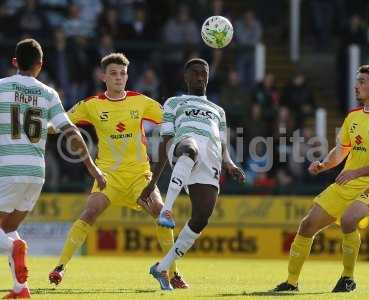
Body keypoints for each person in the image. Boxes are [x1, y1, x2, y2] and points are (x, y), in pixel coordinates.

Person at [48, 53, 188, 289]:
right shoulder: (91, 105)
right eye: (113, 73)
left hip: (138, 176)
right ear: (103, 77)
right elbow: (60, 123)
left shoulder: (140, 101)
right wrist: (39, 127)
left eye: (122, 73)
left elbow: (169, 118)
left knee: (161, 213)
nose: (119, 77)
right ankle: (60, 267)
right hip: (108, 177)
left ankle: (172, 272)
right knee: (90, 212)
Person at [271, 65, 369, 293]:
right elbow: (341, 150)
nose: (356, 86)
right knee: (307, 225)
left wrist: (356, 172)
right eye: (356, 81)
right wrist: (323, 165)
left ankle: (347, 278)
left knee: (350, 219)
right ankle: (291, 284)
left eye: (361, 81)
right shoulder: (353, 115)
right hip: (346, 182)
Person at [0, 38, 105, 299]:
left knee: (10, 240)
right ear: (40, 64)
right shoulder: (49, 94)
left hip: (7, 168)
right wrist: (92, 167)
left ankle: (14, 251)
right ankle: (20, 288)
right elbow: (72, 133)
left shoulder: (1, 88)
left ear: (15, 62)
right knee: (9, 228)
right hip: (36, 173)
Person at [138, 58, 245, 290]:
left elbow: (222, 142)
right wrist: (153, 181)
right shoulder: (174, 102)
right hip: (183, 146)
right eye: (195, 73)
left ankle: (162, 267)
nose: (200, 77)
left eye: (203, 73)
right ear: (186, 77)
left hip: (211, 160)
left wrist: (229, 164)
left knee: (201, 218)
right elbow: (166, 140)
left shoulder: (219, 110)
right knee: (189, 148)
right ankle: (166, 210)